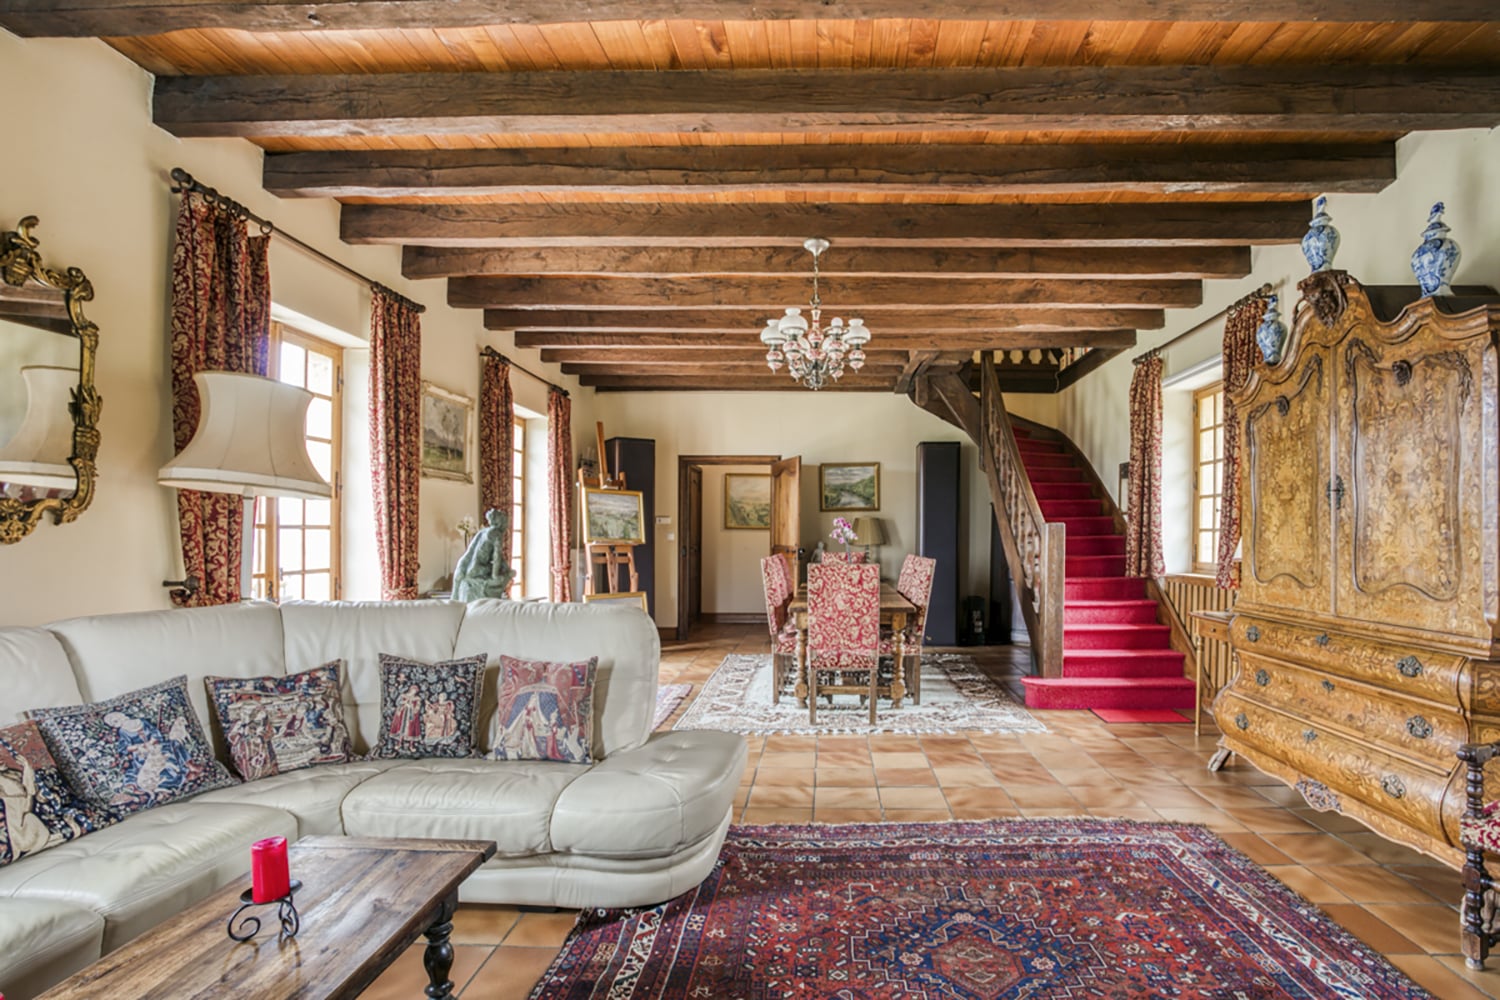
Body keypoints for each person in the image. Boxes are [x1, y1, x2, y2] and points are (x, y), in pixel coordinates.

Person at [453, 508, 516, 601]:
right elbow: (497, 557)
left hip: (465, 566)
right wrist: (495, 576)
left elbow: (470, 551)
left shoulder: (483, 531)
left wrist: (506, 568)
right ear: (502, 522)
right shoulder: (496, 533)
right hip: (477, 570)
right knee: (502, 578)